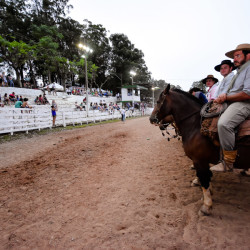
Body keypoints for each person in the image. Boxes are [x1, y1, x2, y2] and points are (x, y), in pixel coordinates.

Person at [210, 43, 250, 172]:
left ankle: (228, 162)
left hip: (244, 103)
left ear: (248, 55)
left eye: (237, 55)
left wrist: (226, 97)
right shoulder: (240, 71)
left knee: (224, 124)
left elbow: (247, 94)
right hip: (233, 101)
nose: (234, 59)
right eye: (234, 56)